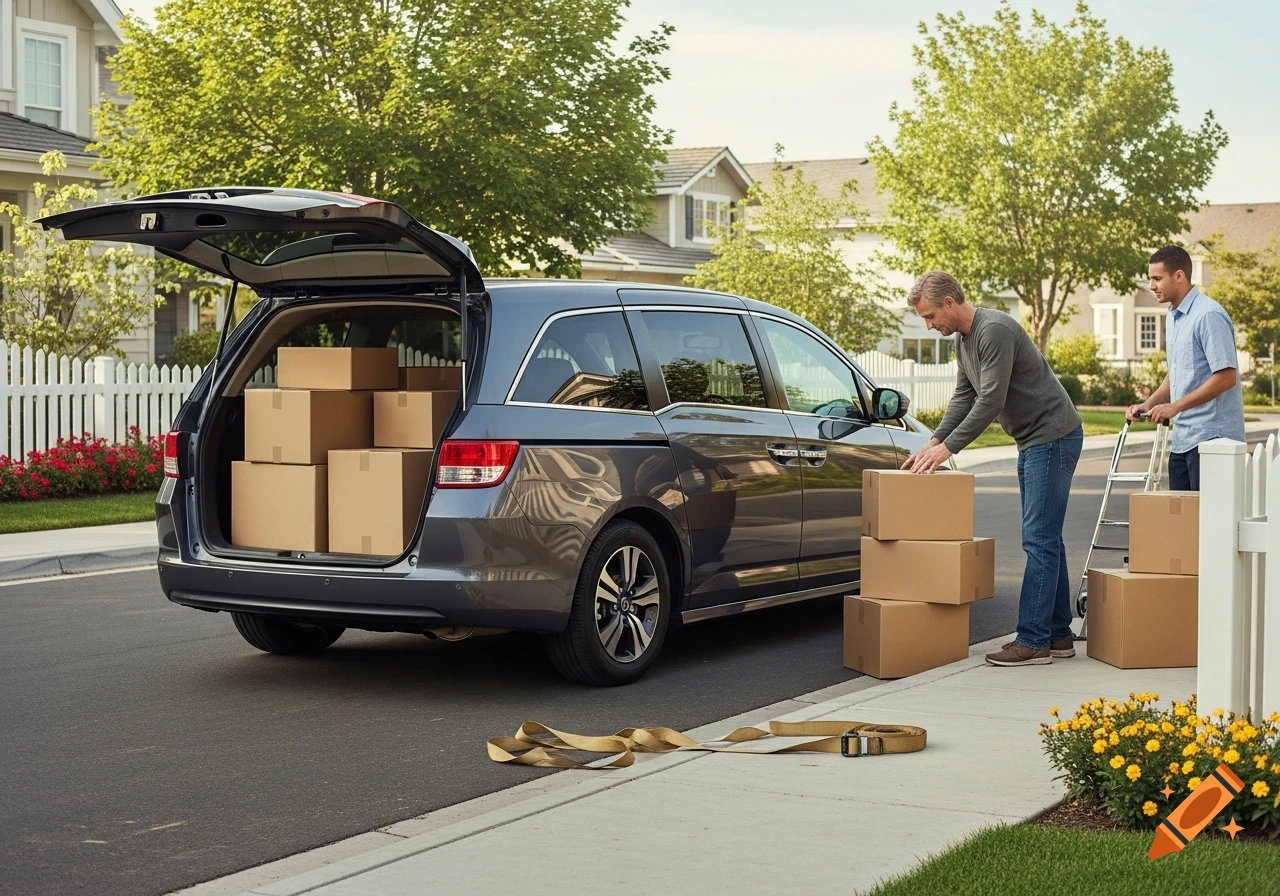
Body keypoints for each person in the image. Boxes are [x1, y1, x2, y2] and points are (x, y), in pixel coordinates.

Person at [900, 271, 1084, 667]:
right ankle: (1058, 636)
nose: (930, 327)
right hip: (1035, 440)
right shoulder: (965, 342)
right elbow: (964, 396)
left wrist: (949, 449)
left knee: (1038, 539)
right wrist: (933, 441)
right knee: (1046, 538)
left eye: (931, 317)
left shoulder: (993, 330)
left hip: (1052, 436)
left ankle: (1033, 642)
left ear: (950, 302)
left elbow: (991, 401)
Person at [1127, 246, 1246, 490]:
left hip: (1213, 440)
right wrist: (1148, 404)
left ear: (1179, 276)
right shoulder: (1173, 316)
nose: (1151, 286)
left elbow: (1226, 376)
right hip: (1183, 440)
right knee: (1184, 525)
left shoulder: (1208, 315)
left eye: (1157, 278)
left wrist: (1175, 407)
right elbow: (1178, 373)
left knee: (1210, 523)